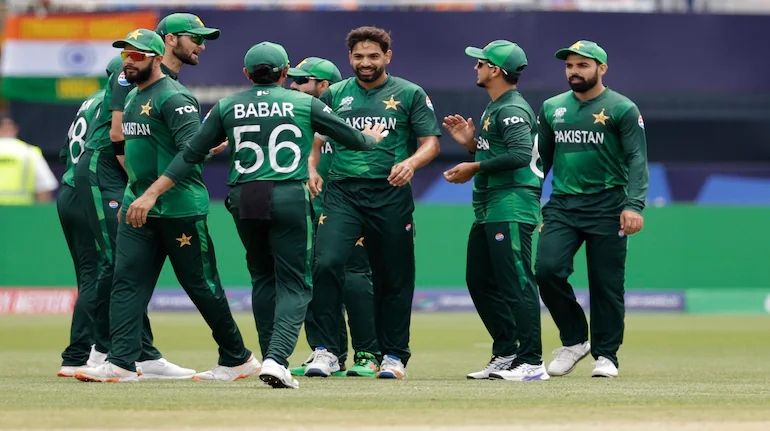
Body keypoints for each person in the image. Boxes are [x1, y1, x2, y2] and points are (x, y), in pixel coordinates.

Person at [127, 41, 386, 389]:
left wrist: (151, 192)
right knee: (296, 283)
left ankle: (269, 358)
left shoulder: (227, 105)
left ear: (247, 74)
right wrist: (371, 138)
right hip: (288, 194)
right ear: (285, 72)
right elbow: (355, 141)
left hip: (245, 196)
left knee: (263, 278)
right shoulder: (304, 103)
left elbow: (190, 154)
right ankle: (277, 360)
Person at [74, 29, 257, 383]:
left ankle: (238, 358)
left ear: (157, 58)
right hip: (139, 207)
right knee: (126, 282)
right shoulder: (131, 96)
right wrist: (135, 193)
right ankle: (121, 363)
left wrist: (151, 194)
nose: (129, 62)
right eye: (126, 55)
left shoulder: (175, 97)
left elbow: (190, 152)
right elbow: (137, 151)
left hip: (179, 209)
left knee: (201, 286)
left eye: (137, 56)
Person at [304, 26, 441, 380]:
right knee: (325, 264)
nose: (365, 62)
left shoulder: (409, 93)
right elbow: (315, 140)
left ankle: (393, 355)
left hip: (390, 193)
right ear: (350, 58)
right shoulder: (335, 94)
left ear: (387, 56)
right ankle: (327, 351)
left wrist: (411, 163)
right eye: (359, 56)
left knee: (394, 276)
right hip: (343, 193)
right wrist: (312, 168)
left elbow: (430, 143)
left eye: (373, 56)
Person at [536, 40, 649, 378]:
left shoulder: (622, 108)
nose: (574, 71)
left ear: (602, 68)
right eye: (569, 66)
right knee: (547, 270)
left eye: (582, 65)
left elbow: (637, 159)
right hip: (563, 205)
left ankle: (606, 355)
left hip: (608, 205)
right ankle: (574, 341)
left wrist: (634, 205)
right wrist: (530, 199)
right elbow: (540, 161)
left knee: (606, 284)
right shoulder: (552, 107)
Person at [442, 40, 548, 381]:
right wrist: (471, 145)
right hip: (491, 204)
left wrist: (473, 166)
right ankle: (507, 352)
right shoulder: (495, 106)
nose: (476, 67)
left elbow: (519, 155)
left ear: (496, 70)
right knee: (479, 279)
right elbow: (501, 152)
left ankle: (531, 361)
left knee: (517, 281)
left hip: (511, 202)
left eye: (481, 63)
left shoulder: (511, 108)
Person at [286, 57, 381, 378]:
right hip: (312, 210)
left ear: (323, 86)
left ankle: (368, 353)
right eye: (293, 79)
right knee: (316, 278)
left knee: (355, 278)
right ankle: (327, 352)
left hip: (350, 209)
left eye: (302, 81)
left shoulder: (347, 114)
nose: (294, 85)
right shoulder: (300, 116)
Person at [56, 57, 123, 378]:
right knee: (103, 272)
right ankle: (82, 354)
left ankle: (89, 351)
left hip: (70, 189)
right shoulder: (112, 103)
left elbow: (65, 150)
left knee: (89, 276)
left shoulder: (89, 102)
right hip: (91, 191)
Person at [0, 114, 58, 205]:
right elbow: (44, 188)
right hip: (21, 210)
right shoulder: (30, 152)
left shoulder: (30, 152)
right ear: (15, 129)